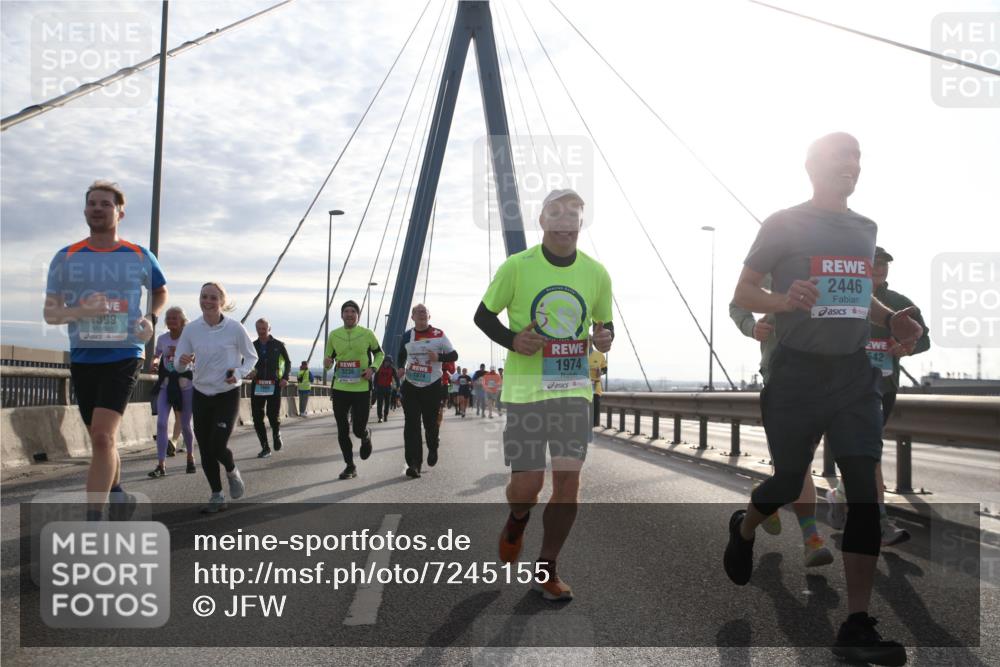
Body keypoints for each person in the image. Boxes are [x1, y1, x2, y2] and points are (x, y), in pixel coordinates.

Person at [724, 132, 922, 666]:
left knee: (862, 489)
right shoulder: (783, 223)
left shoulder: (864, 228)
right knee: (790, 480)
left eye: (857, 158)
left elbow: (860, 291)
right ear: (811, 166)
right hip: (795, 375)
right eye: (841, 158)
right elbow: (743, 292)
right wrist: (782, 299)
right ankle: (743, 530)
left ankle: (856, 624)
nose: (851, 166)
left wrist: (890, 318)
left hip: (854, 376)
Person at [474, 188, 613, 601]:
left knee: (568, 484)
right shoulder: (517, 267)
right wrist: (513, 340)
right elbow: (483, 316)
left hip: (573, 391)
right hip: (526, 392)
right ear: (543, 221)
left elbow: (603, 330)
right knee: (527, 487)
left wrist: (604, 338)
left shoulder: (597, 273)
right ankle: (518, 518)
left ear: (580, 223)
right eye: (557, 212)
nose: (566, 219)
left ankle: (547, 567)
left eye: (574, 212)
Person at [43, 180, 167, 520]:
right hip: (84, 355)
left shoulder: (139, 255)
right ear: (85, 210)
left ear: (120, 212)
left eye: (105, 204)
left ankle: (94, 519)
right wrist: (82, 311)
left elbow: (160, 290)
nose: (97, 208)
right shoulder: (66, 257)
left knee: (101, 436)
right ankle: (117, 493)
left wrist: (152, 318)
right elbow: (51, 313)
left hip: (125, 353)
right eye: (92, 204)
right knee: (103, 439)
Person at [828, 246, 931, 547]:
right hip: (848, 387)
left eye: (885, 264)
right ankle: (880, 524)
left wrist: (907, 346)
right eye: (875, 263)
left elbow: (924, 338)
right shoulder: (844, 296)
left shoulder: (900, 303)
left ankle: (840, 495)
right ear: (861, 266)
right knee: (869, 454)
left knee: (866, 453)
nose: (881, 268)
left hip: (884, 387)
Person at [730, 278, 834, 568]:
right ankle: (811, 539)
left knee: (798, 467)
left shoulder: (832, 261)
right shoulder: (775, 265)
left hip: (830, 379)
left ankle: (766, 496)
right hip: (782, 379)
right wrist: (752, 327)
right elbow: (738, 302)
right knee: (799, 467)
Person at [175, 282, 256, 513]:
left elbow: (252, 357)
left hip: (227, 394)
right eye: (204, 297)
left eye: (212, 297)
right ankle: (217, 495)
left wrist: (238, 373)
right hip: (201, 393)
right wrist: (181, 363)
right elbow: (178, 363)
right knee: (206, 449)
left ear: (221, 301)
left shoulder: (235, 328)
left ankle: (231, 470)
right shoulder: (192, 329)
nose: (207, 301)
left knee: (218, 444)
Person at [397, 304, 459, 477]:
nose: (422, 314)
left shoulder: (439, 335)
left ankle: (433, 446)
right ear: (413, 317)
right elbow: (401, 355)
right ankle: (414, 464)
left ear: (429, 317)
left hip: (432, 385)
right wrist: (400, 367)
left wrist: (439, 357)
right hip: (411, 384)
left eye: (424, 312)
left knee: (430, 423)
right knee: (411, 424)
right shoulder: (408, 336)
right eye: (418, 312)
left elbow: (454, 356)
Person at [324, 300, 384, 480]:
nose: (349, 314)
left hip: (361, 388)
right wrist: (327, 363)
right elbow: (328, 360)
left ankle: (365, 435)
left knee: (357, 429)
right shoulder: (334, 335)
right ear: (341, 315)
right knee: (342, 429)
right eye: (346, 311)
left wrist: (372, 369)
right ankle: (350, 465)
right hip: (340, 387)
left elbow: (379, 353)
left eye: (353, 312)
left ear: (357, 315)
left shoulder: (367, 333)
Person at [149, 306, 196, 477]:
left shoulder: (189, 339)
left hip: (185, 386)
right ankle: (161, 465)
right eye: (168, 318)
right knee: (161, 423)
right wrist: (154, 362)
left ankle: (190, 456)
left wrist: (190, 358)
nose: (170, 321)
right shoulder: (162, 338)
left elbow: (197, 357)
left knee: (185, 424)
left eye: (174, 318)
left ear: (182, 321)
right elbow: (157, 354)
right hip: (166, 385)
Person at [249, 318, 292, 458]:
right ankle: (265, 447)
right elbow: (245, 362)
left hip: (274, 384)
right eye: (259, 329)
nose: (261, 331)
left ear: (269, 329)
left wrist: (285, 378)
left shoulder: (278, 345)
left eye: (264, 329)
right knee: (257, 417)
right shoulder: (252, 345)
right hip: (258, 384)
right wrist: (249, 371)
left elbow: (288, 362)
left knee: (272, 415)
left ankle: (276, 432)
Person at [588, 345, 607, 427]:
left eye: (590, 340)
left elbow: (605, 369)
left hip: (595, 384)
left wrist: (601, 372)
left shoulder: (600, 355)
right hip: (580, 385)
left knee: (595, 404)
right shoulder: (577, 354)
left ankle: (594, 424)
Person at [374, 357, 395, 423]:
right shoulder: (379, 368)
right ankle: (380, 417)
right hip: (380, 388)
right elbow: (375, 378)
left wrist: (398, 385)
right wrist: (375, 387)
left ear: (390, 363)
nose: (387, 363)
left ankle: (385, 415)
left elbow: (396, 377)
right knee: (379, 404)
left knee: (387, 404)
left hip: (388, 388)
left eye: (389, 362)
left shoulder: (392, 369)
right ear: (384, 361)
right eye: (386, 361)